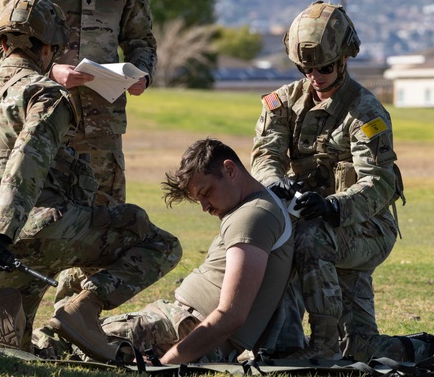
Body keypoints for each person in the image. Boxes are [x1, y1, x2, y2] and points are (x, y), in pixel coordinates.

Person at [0, 0, 181, 360]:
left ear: (1, 44)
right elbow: (28, 158)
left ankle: (15, 317)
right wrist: (2, 231)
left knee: (7, 354)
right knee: (156, 241)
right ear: (50, 48)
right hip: (45, 230)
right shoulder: (47, 93)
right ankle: (82, 309)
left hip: (2, 248)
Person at [251, 0, 422, 362]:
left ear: (345, 57)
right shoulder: (280, 104)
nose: (315, 75)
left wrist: (332, 207)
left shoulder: (366, 112)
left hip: (365, 226)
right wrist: (277, 183)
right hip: (311, 224)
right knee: (359, 346)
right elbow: (265, 155)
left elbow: (378, 182)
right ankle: (281, 340)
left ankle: (323, 349)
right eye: (305, 68)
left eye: (325, 67)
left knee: (310, 239)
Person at [0, 0, 155, 206]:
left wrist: (142, 74)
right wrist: (51, 72)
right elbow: (4, 48)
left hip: (103, 121)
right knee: (42, 215)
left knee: (106, 219)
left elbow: (140, 38)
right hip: (43, 114)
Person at [90, 138, 294, 364]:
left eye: (206, 193)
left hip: (186, 328)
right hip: (179, 323)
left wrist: (167, 363)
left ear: (229, 169)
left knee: (69, 340)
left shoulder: (253, 217)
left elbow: (230, 315)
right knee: (78, 333)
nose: (205, 207)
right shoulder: (253, 207)